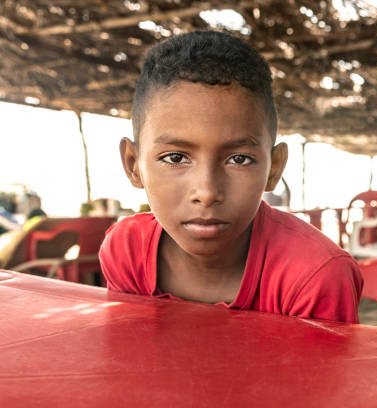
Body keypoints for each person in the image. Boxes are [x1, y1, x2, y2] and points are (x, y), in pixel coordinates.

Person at [99, 31, 363, 323]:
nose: (207, 191)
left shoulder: (313, 276)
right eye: (175, 158)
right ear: (133, 165)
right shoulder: (126, 252)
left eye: (239, 159)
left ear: (273, 169)